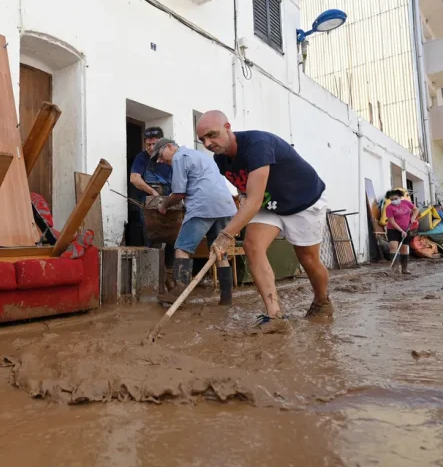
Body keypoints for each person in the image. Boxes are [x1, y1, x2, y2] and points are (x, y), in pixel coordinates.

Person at [195, 110, 331, 332]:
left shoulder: (257, 144)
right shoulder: (220, 159)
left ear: (227, 127)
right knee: (252, 246)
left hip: (303, 200)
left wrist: (225, 235)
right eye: (203, 139)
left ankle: (322, 301)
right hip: (270, 204)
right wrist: (242, 198)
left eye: (212, 135)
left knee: (308, 259)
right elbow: (246, 191)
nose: (208, 143)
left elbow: (254, 200)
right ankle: (275, 316)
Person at [151, 138, 238, 305]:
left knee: (182, 247)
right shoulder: (199, 155)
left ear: (169, 147)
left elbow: (179, 193)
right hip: (225, 206)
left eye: (160, 155)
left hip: (204, 206)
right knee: (219, 251)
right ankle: (226, 299)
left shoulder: (179, 157)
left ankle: (179, 293)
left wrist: (164, 205)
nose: (160, 160)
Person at [129, 126, 175, 283]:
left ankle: (169, 274)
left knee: (173, 236)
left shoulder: (171, 156)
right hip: (150, 202)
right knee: (152, 236)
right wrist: (153, 192)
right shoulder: (141, 158)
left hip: (171, 200)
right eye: (147, 144)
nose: (150, 148)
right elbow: (134, 178)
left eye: (154, 144)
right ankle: (153, 277)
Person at [383, 188, 417, 274]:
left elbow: (416, 210)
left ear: (400, 197)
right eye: (392, 199)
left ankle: (404, 269)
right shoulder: (389, 208)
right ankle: (395, 269)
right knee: (393, 247)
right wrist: (401, 231)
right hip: (393, 230)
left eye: (396, 198)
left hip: (406, 229)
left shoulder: (406, 203)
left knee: (404, 249)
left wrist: (413, 218)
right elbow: (392, 221)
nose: (394, 201)